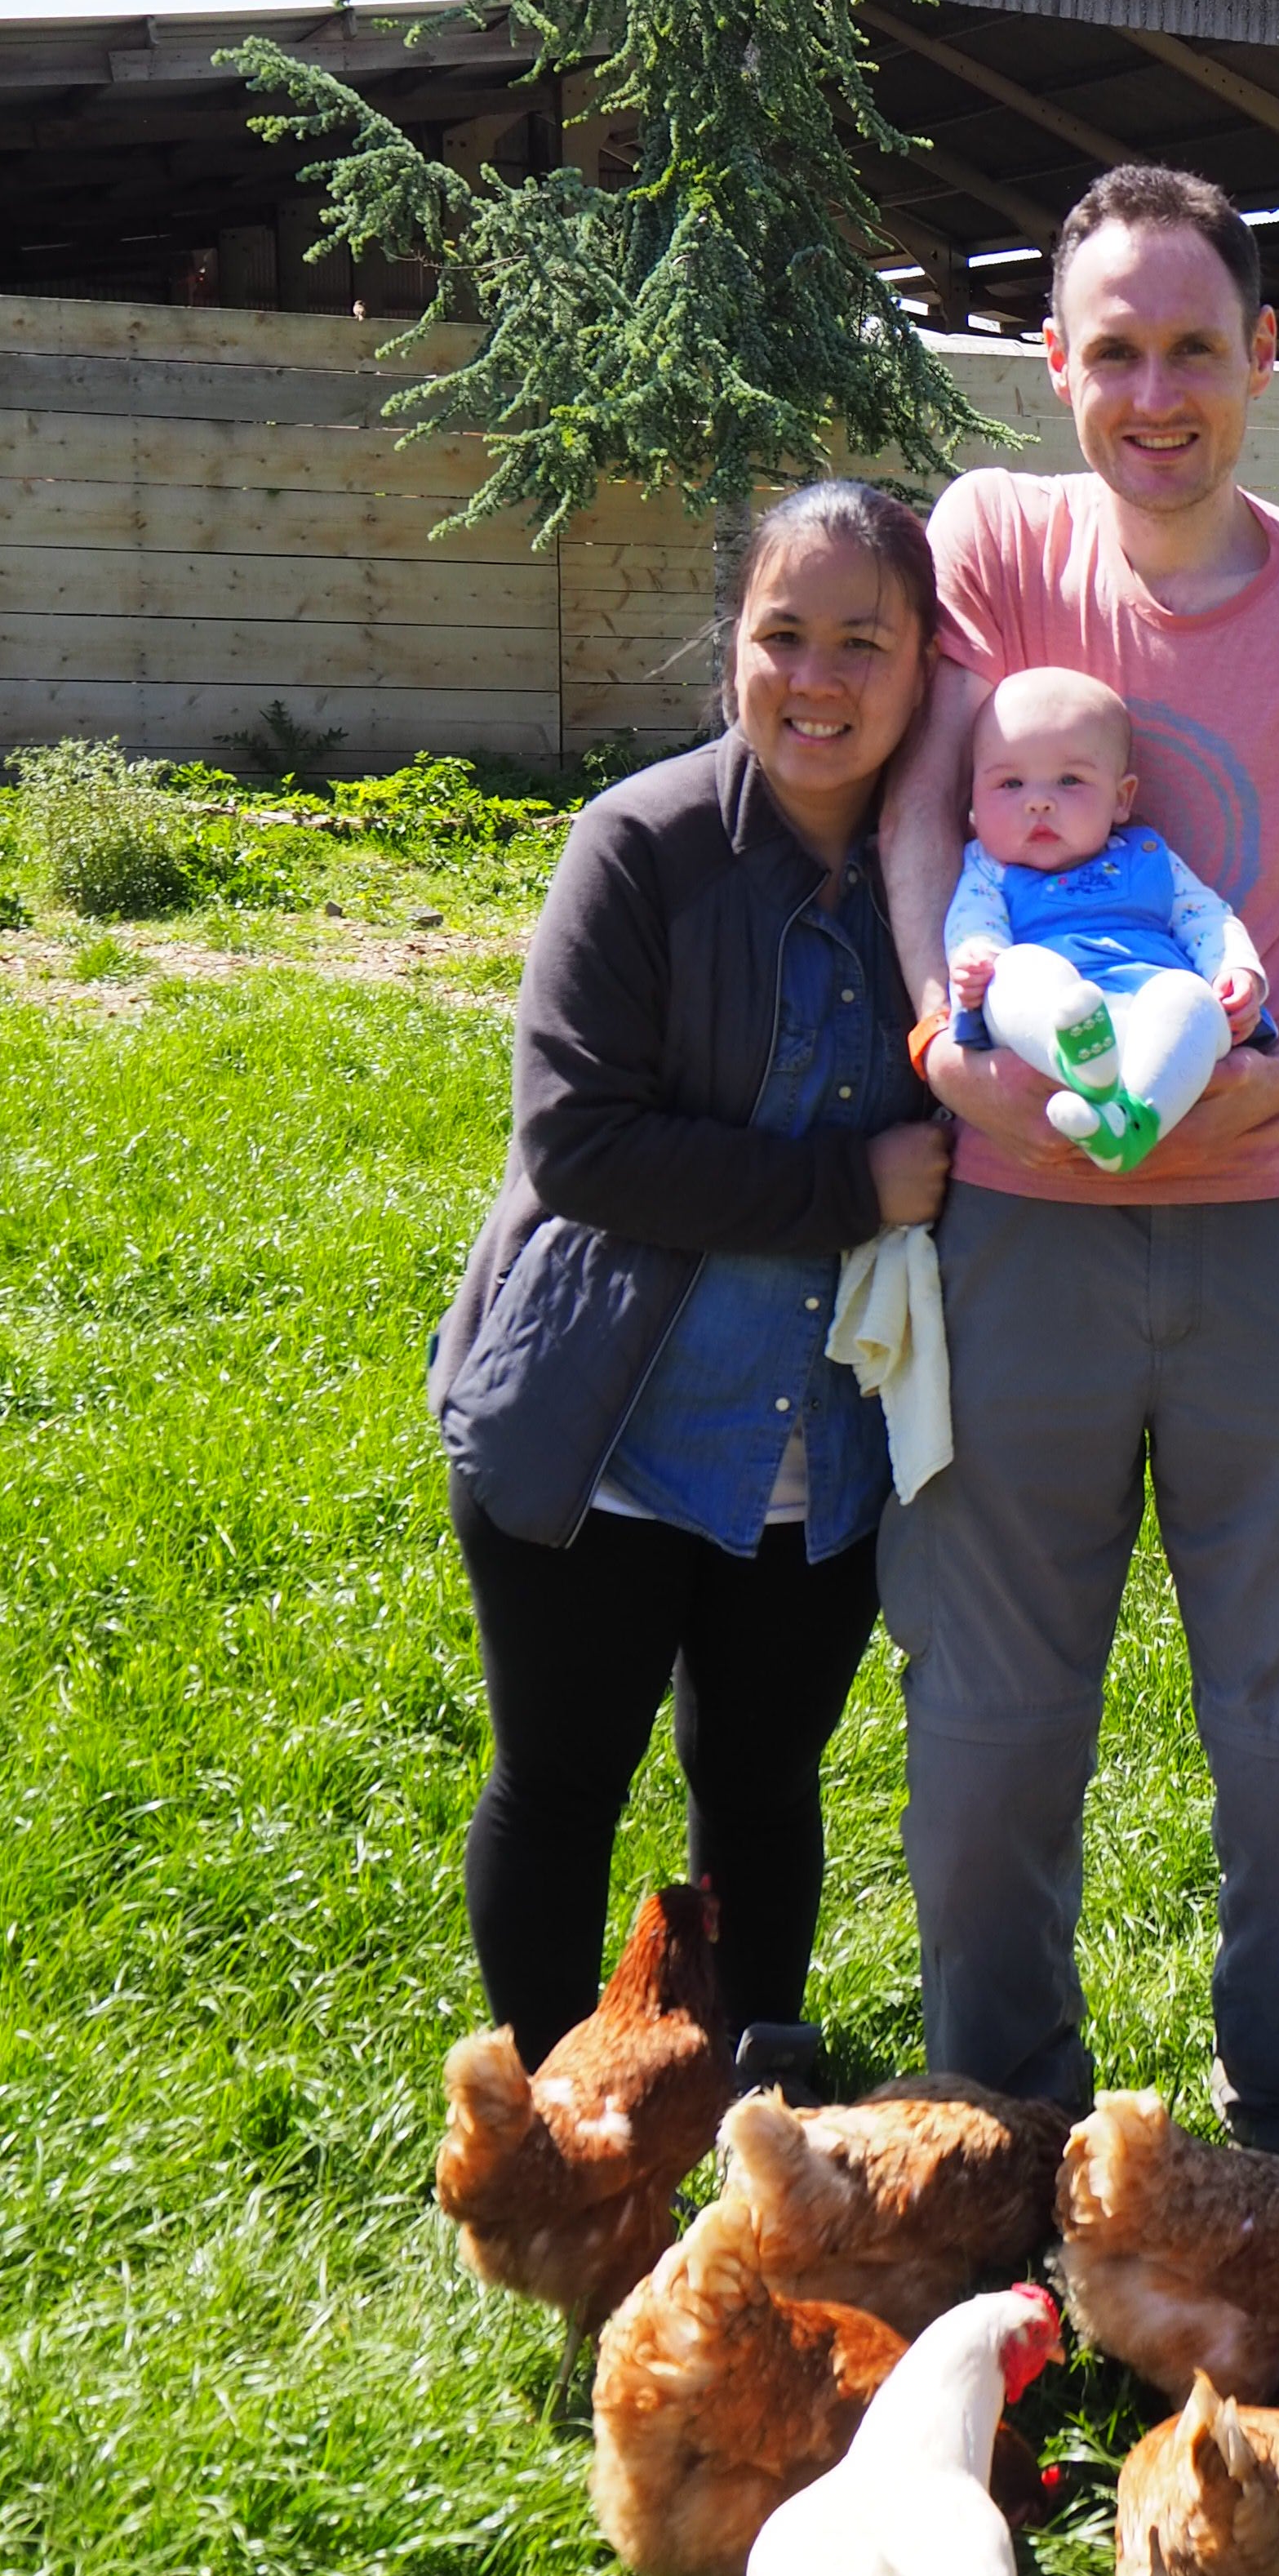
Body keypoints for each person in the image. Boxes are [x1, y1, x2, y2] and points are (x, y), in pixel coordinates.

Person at [882, 161, 1279, 2159]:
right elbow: (921, 821)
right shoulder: (989, 545)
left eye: (1194, 349)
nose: (1156, 393)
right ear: (1054, 365)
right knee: (984, 1730)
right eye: (1114, 350)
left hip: (1276, 1235)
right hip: (1015, 1245)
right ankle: (991, 2140)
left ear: (1262, 359)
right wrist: (947, 1033)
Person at [430, 480, 952, 2092]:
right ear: (728, 645)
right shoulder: (642, 847)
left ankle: (741, 2103)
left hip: (823, 1439)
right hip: (610, 1419)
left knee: (763, 1780)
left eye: (862, 640)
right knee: (567, 1774)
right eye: (781, 634)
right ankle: (544, 2124)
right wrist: (843, 1191)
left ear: (929, 660)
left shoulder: (954, 875)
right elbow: (578, 1142)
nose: (818, 678)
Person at [943, 662, 1268, 1172]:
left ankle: (1130, 1120)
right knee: (1016, 970)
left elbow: (1208, 918)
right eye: (1009, 784)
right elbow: (973, 922)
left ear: (1121, 798)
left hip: (1150, 1010)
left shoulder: (1151, 855)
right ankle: (1085, 1072)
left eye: (1069, 780)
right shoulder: (989, 870)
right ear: (973, 804)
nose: (1039, 803)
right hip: (1051, 1016)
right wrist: (974, 958)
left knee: (1189, 1000)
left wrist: (1236, 972)